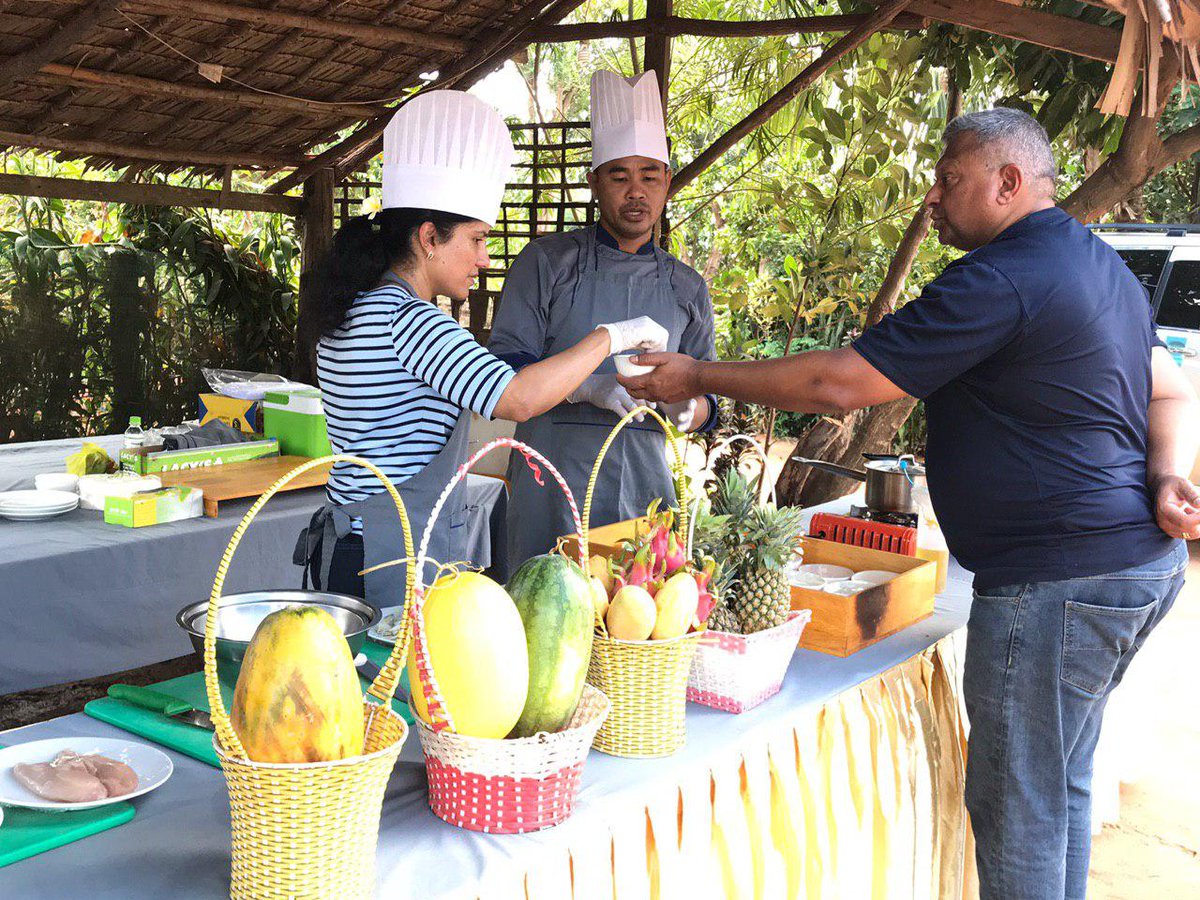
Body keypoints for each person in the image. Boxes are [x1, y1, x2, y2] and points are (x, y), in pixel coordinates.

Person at [620, 108, 1200, 900]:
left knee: (1018, 808)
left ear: (1006, 183)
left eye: (950, 179)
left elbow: (839, 383)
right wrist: (1167, 477)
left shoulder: (1000, 279)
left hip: (1055, 583)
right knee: (1055, 786)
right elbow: (1173, 393)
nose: (933, 197)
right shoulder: (1096, 267)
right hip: (1134, 567)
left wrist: (699, 376)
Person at [295, 90, 667, 609]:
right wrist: (612, 337)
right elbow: (515, 397)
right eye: (475, 239)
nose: (485, 258)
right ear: (429, 237)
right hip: (394, 557)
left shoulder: (358, 306)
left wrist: (592, 388)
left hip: (349, 545)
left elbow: (488, 384)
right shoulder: (413, 322)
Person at [488, 70, 718, 572]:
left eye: (649, 176)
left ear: (667, 183)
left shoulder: (687, 287)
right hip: (548, 482)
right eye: (619, 176)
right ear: (595, 183)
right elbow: (506, 373)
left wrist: (686, 411)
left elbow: (710, 397)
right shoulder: (546, 263)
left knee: (637, 628)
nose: (636, 192)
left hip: (646, 490)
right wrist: (586, 388)